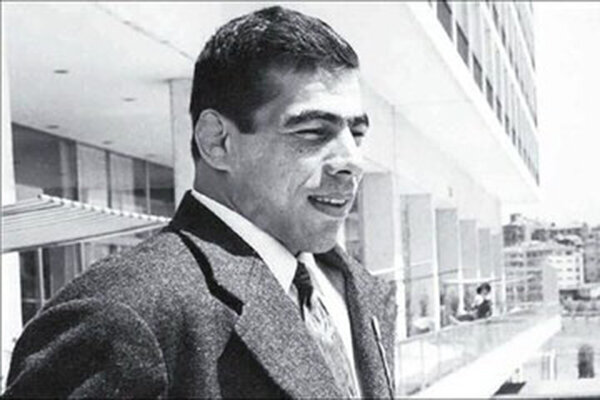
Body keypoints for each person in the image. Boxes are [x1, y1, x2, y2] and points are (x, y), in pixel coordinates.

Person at [3, 6, 396, 399]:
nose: (352, 162)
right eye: (312, 131)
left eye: (357, 134)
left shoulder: (355, 290)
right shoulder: (123, 313)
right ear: (216, 141)